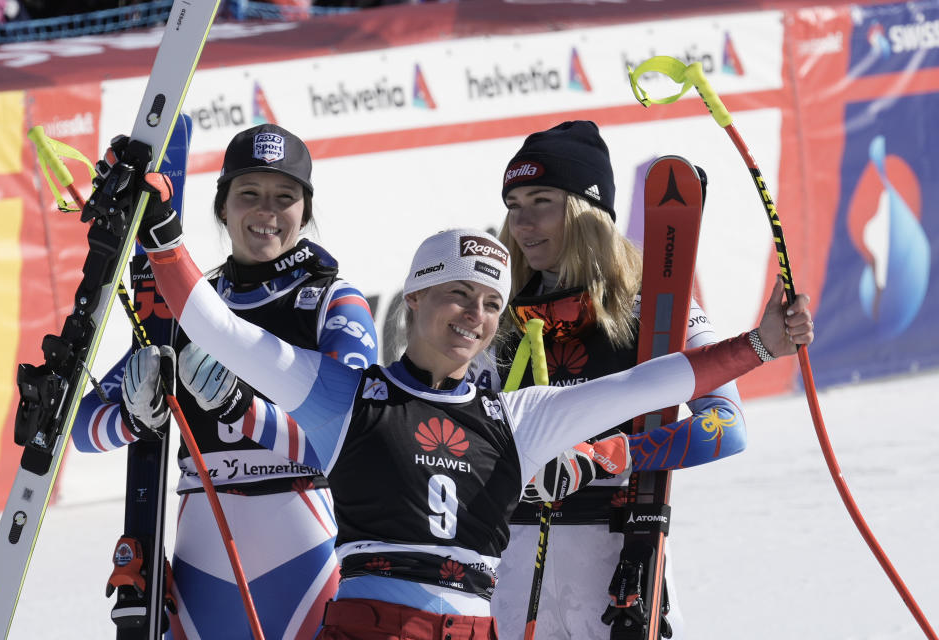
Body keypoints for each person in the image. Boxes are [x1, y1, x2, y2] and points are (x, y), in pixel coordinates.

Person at [129, 151, 813, 639]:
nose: (474, 316)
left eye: (490, 303)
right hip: (373, 625)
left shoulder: (517, 417)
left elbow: (653, 382)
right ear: (417, 297)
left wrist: (761, 346)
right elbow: (215, 326)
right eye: (457, 294)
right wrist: (163, 234)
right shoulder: (345, 395)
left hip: (480, 620)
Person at [71, 124, 379, 639]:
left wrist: (246, 410)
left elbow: (360, 431)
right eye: (249, 194)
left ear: (305, 210)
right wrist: (131, 415)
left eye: (285, 197)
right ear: (222, 207)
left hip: (303, 540)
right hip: (203, 553)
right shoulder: (183, 303)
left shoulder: (333, 300)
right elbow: (81, 427)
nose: (267, 213)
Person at [468, 120, 745, 638]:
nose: (523, 223)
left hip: (615, 563)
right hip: (510, 572)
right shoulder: (500, 319)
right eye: (514, 205)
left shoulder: (652, 309)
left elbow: (726, 426)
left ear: (585, 209)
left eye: (542, 201)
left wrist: (605, 456)